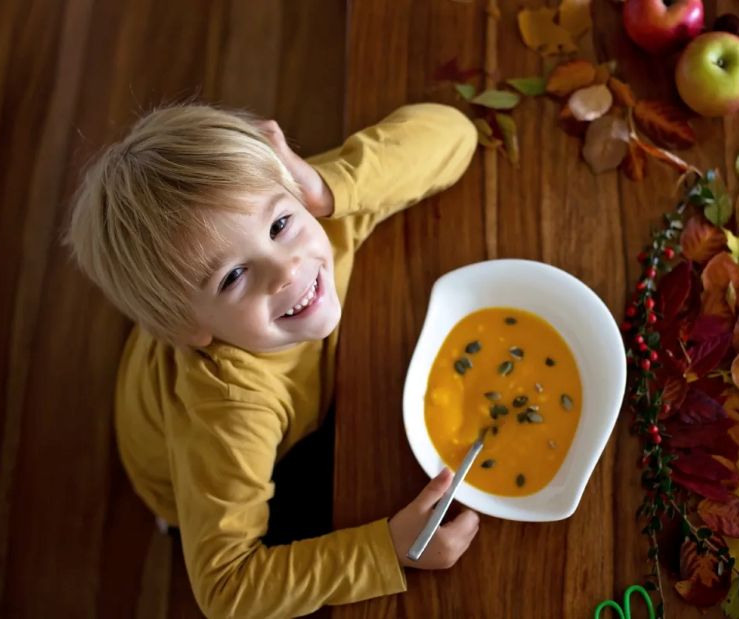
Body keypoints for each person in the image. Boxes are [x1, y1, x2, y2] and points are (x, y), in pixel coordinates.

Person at [65, 101, 481, 617]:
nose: (286, 269)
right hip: (195, 480)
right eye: (233, 277)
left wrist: (328, 188)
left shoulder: (316, 216)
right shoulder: (228, 411)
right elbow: (225, 589)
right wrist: (387, 549)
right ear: (189, 330)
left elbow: (455, 134)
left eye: (280, 224)